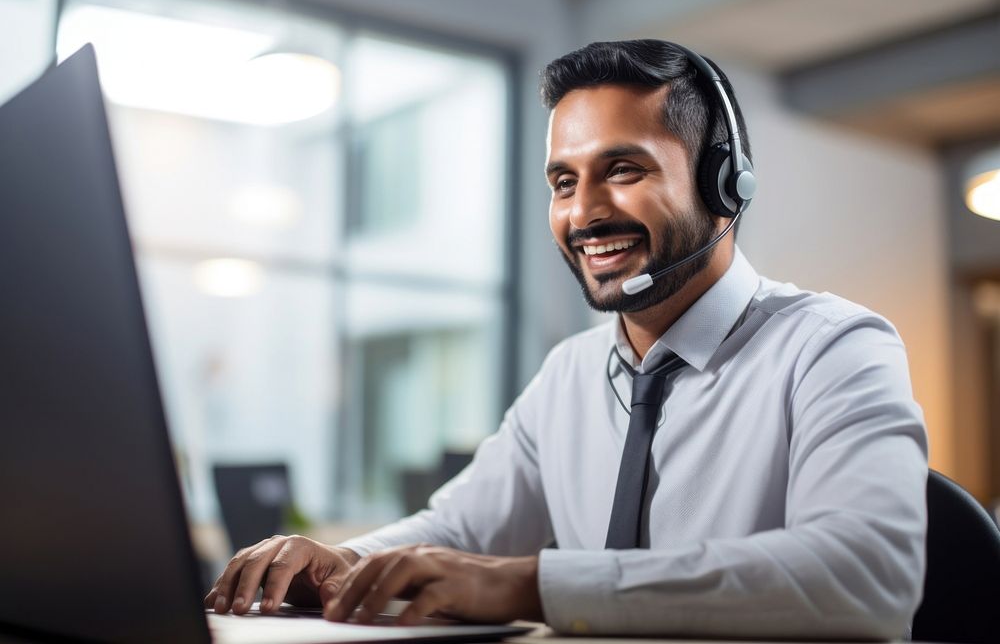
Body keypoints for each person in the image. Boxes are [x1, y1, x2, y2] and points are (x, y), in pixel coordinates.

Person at [205, 40, 928, 639]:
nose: (584, 213)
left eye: (622, 169)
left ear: (722, 183)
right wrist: (339, 560)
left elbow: (867, 574)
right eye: (562, 181)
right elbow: (459, 529)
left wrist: (533, 584)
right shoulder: (572, 373)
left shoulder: (836, 347)